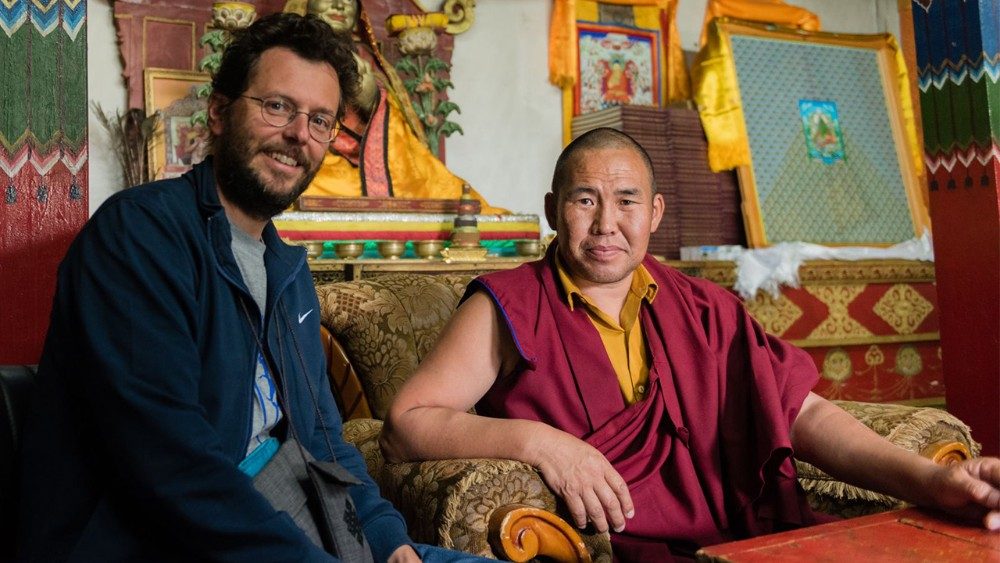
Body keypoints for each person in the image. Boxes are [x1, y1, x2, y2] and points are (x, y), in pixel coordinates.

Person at [380, 128, 1000, 561]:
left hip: (738, 542)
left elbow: (802, 413)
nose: (605, 224)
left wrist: (931, 481)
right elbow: (406, 424)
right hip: (611, 550)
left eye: (626, 202)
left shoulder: (703, 307)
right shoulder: (509, 305)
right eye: (584, 200)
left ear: (654, 213)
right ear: (552, 209)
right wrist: (541, 443)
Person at [17, 13, 486, 563]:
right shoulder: (139, 237)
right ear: (219, 112)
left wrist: (389, 541)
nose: (298, 135)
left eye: (320, 120)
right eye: (278, 106)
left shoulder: (287, 270)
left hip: (301, 530)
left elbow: (325, 440)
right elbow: (170, 467)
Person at [297, 0, 504, 213]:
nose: (340, 5)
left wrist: (372, 100)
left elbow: (397, 130)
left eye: (349, 0)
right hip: (312, 157)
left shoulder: (367, 59)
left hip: (370, 163)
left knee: (439, 189)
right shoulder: (291, 58)